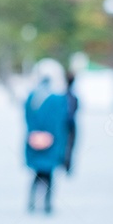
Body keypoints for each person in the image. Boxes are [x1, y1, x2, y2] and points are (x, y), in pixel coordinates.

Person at [23, 59, 72, 214]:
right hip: (52, 142)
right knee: (49, 175)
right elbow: (60, 124)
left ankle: (32, 202)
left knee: (37, 174)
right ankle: (47, 204)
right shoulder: (58, 99)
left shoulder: (32, 97)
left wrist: (34, 134)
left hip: (34, 140)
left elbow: (27, 119)